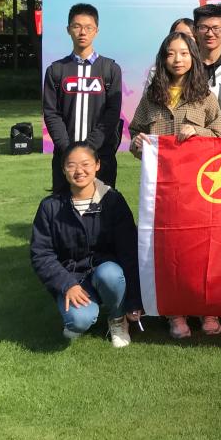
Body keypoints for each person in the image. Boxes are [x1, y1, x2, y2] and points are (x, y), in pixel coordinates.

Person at [128, 32, 221, 340]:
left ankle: (207, 309)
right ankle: (176, 313)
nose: (177, 59)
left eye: (183, 53)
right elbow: (135, 132)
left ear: (193, 58)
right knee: (168, 249)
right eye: (171, 53)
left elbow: (219, 135)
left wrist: (198, 132)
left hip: (198, 190)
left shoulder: (205, 96)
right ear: (163, 58)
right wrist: (137, 144)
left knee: (200, 248)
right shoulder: (151, 97)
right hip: (162, 191)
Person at [30, 141, 140, 347]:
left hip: (106, 272)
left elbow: (129, 251)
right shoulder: (50, 207)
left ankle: (117, 319)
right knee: (78, 321)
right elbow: (41, 254)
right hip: (72, 277)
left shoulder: (113, 201)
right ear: (63, 169)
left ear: (97, 165)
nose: (79, 171)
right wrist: (66, 284)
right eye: (71, 165)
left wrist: (134, 300)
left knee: (110, 274)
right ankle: (82, 314)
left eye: (85, 164)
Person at [43, 2, 123, 193]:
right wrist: (69, 150)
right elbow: (51, 113)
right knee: (64, 206)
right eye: (77, 26)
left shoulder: (110, 69)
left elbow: (112, 113)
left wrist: (89, 149)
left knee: (102, 205)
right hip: (65, 157)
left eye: (88, 27)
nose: (82, 32)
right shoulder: (56, 70)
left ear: (96, 31)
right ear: (68, 29)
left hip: (101, 156)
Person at [192, 3, 221, 96]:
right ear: (195, 30)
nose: (209, 34)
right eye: (203, 28)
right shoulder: (187, 66)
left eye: (216, 28)